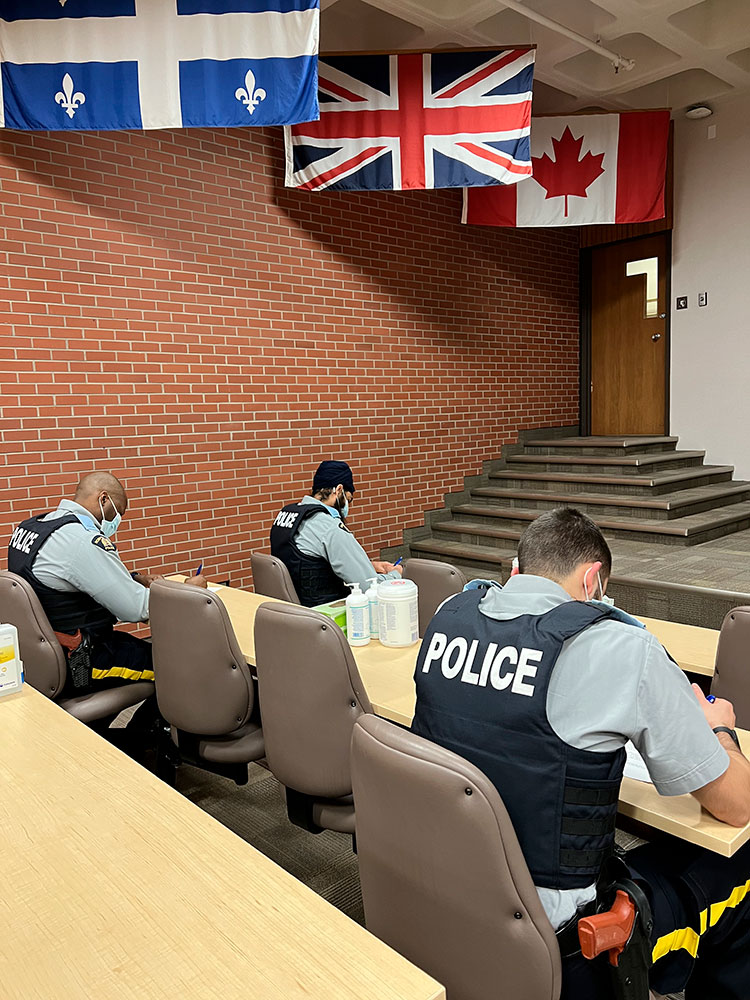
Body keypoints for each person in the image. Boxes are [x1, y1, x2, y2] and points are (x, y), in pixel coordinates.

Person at [411, 507, 750, 999]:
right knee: (739, 865)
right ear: (593, 580)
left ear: (515, 571)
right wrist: (720, 731)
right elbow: (735, 804)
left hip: (441, 894)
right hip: (563, 946)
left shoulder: (449, 616)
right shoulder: (617, 646)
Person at [7, 472, 205, 702]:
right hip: (81, 662)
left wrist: (136, 578)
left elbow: (65, 582)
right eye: (117, 512)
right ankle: (148, 736)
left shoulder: (32, 528)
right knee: (182, 667)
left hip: (44, 656)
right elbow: (138, 609)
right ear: (103, 499)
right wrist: (190, 590)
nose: (116, 520)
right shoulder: (82, 539)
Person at [270, 460, 402, 608]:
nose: (347, 507)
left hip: (289, 612)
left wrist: (368, 565)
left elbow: (304, 563)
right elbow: (369, 587)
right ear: (338, 490)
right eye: (348, 499)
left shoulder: (286, 517)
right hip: (323, 618)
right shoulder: (329, 528)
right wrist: (395, 575)